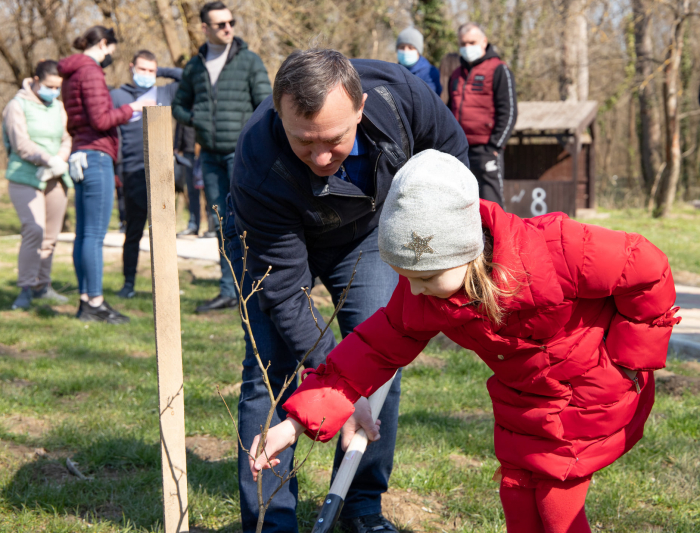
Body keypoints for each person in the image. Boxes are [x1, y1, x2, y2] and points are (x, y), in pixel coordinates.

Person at [250, 149, 681, 533]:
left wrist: (629, 358)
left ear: (466, 251)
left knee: (556, 501)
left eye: (425, 278)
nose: (414, 291)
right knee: (517, 494)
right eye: (407, 278)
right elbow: (368, 353)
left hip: (589, 387)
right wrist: (293, 424)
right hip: (523, 401)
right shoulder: (427, 292)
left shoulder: (557, 249)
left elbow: (646, 267)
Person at [227, 49, 470, 533]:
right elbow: (283, 294)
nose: (320, 158)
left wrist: (468, 243)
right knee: (273, 369)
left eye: (334, 141)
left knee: (381, 361)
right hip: (276, 239)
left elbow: (455, 170)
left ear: (359, 108)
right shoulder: (257, 161)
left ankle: (360, 506)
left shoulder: (402, 99)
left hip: (364, 234)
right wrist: (339, 382)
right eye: (304, 142)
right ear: (280, 115)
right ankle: (271, 521)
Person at [172, 1, 272, 313]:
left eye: (231, 22)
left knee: (247, 221)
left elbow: (266, 106)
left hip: (241, 156)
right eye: (220, 24)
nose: (228, 28)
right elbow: (178, 105)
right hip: (210, 159)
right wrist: (196, 119)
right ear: (205, 28)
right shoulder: (195, 65)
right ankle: (229, 291)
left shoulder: (249, 61)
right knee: (220, 223)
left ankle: (256, 289)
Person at [58, 26, 154, 323]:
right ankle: (96, 303)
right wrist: (133, 107)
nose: (110, 56)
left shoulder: (71, 72)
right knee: (94, 235)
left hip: (80, 153)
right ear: (103, 44)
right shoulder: (90, 72)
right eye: (111, 50)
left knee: (83, 233)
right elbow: (101, 118)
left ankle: (86, 300)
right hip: (97, 155)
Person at [110, 50, 183, 299]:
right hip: (131, 172)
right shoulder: (117, 96)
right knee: (134, 231)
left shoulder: (163, 93)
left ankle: (164, 287)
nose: (147, 75)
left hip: (162, 171)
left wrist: (160, 71)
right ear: (132, 67)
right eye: (142, 69)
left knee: (163, 230)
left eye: (151, 71)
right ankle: (128, 283)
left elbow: (189, 78)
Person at [2, 60, 72, 310]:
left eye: (57, 88)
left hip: (55, 176)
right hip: (25, 176)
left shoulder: (59, 108)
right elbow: (20, 143)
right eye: (49, 86)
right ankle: (25, 288)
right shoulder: (16, 106)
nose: (53, 92)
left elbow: (67, 137)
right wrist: (47, 158)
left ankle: (43, 286)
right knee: (34, 229)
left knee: (50, 236)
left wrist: (59, 160)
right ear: (35, 80)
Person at [448, 22, 517, 207]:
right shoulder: (455, 75)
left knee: (491, 205)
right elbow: (449, 110)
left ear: (484, 42)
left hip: (486, 150)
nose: (467, 47)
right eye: (463, 44)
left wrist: (495, 146)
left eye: (472, 42)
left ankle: (496, 238)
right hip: (460, 150)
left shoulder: (499, 69)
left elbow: (509, 112)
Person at [395, 27, 442, 95]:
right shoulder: (393, 71)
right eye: (402, 47)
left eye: (410, 48)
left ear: (418, 50)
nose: (405, 51)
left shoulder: (430, 73)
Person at [174, 123, 200, 237]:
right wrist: (176, 147)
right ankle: (193, 225)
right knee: (191, 191)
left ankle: (213, 226)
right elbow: (181, 124)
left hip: (206, 149)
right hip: (188, 150)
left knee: (210, 192)